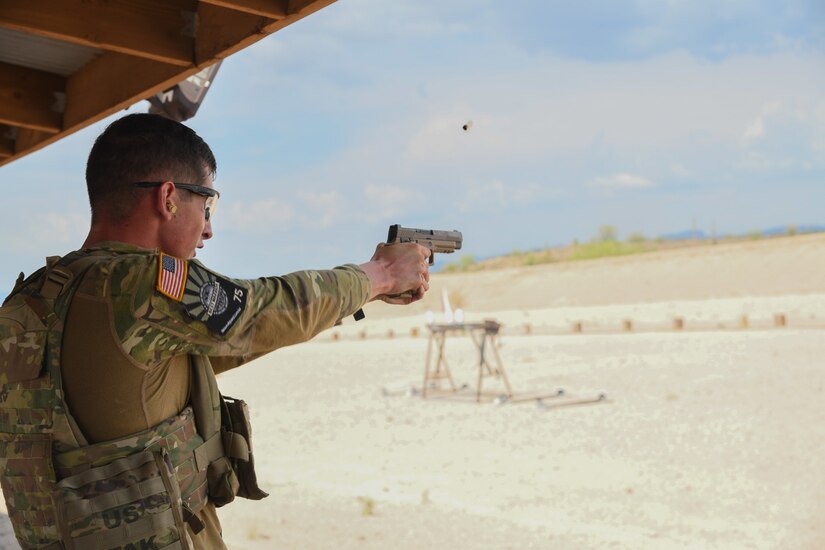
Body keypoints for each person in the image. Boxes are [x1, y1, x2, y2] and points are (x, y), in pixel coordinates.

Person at [0, 113, 431, 549]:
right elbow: (266, 308)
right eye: (206, 204)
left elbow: (238, 338)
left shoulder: (36, 296)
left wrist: (358, 298)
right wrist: (381, 275)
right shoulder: (140, 285)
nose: (208, 227)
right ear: (168, 197)